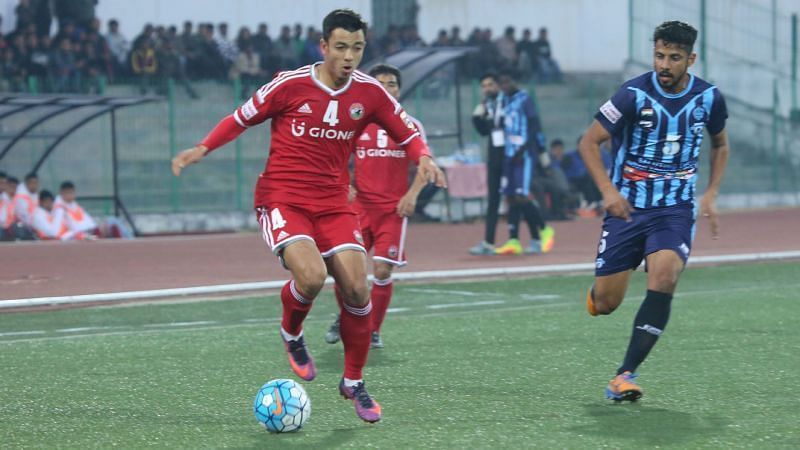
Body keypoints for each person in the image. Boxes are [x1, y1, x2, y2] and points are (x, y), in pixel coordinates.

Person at [171, 9, 445, 423]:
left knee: (357, 288)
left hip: (334, 203)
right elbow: (240, 118)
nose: (348, 56)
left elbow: (407, 133)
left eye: (356, 48)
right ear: (323, 47)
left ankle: (353, 382)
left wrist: (422, 157)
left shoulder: (370, 93)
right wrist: (202, 148)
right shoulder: (290, 85)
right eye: (340, 47)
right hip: (283, 199)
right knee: (313, 276)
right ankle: (292, 333)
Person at [579, 21, 729, 402]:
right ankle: (598, 294)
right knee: (607, 303)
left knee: (664, 276)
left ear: (690, 59)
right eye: (660, 55)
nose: (665, 64)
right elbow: (589, 142)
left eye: (674, 58)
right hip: (627, 209)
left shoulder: (710, 98)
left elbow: (720, 145)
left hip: (675, 209)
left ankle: (624, 375)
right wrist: (608, 191)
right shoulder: (631, 94)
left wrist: (710, 193)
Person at [324, 63, 431, 349]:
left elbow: (424, 163)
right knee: (343, 269)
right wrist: (344, 185)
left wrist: (412, 195)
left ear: (399, 89)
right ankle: (345, 318)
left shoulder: (411, 124)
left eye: (392, 83)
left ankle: (372, 330)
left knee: (382, 270)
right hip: (359, 208)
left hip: (392, 210)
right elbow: (335, 156)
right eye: (380, 83)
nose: (386, 88)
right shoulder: (355, 120)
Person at [493, 69, 555, 255]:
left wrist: (532, 149)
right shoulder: (502, 101)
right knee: (511, 197)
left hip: (524, 154)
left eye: (507, 82)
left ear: (514, 81)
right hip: (508, 154)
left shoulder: (524, 98)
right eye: (501, 83)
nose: (504, 86)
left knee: (522, 195)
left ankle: (544, 229)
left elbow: (534, 124)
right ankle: (515, 240)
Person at [468, 72, 505, 255]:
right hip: (494, 158)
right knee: (493, 200)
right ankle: (489, 242)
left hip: (512, 158)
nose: (487, 89)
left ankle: (538, 231)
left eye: (490, 85)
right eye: (483, 86)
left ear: (498, 85)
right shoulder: (486, 106)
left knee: (518, 198)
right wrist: (477, 117)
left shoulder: (508, 103)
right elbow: (484, 132)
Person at [55, 181, 133, 239]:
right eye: (68, 193)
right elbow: (73, 226)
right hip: (85, 232)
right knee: (112, 221)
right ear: (62, 193)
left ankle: (127, 241)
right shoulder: (61, 208)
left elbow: (87, 219)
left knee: (113, 224)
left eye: (72, 193)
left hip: (91, 228)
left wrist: (98, 226)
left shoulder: (74, 205)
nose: (71, 195)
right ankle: (130, 240)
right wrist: (93, 229)